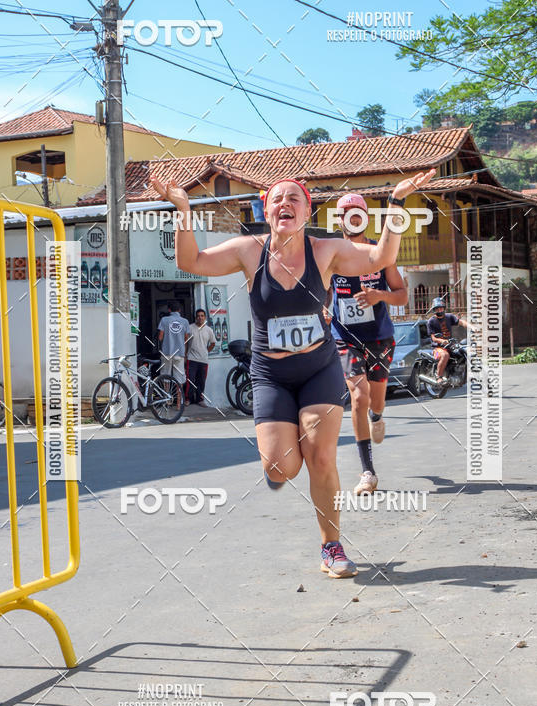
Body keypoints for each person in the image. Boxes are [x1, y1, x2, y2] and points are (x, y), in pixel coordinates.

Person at [150, 169, 436, 579]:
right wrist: (182, 209)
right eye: (277, 199)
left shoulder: (325, 251)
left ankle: (331, 547)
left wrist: (396, 202)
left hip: (319, 369)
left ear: (306, 211)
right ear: (266, 211)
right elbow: (190, 261)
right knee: (280, 469)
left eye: (294, 199)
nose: (285, 203)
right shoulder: (249, 251)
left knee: (321, 455)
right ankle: (293, 442)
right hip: (271, 375)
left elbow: (380, 259)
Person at [328, 193, 408, 495]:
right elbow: (320, 290)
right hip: (345, 338)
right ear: (339, 220)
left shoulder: (381, 252)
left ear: (364, 217)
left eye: (356, 213)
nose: (350, 218)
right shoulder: (331, 254)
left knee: (375, 402)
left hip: (379, 337)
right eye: (344, 213)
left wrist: (380, 296)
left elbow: (402, 294)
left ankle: (377, 417)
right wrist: (323, 308)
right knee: (358, 398)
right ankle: (367, 472)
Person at [427, 297, 470, 382]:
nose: (439, 310)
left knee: (462, 353)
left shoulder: (449, 317)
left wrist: (472, 327)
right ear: (434, 310)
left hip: (450, 345)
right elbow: (433, 338)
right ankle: (438, 376)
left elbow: (461, 322)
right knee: (445, 355)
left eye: (441, 308)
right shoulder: (431, 321)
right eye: (437, 309)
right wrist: (442, 340)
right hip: (438, 348)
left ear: (444, 308)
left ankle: (457, 373)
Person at [157, 301, 190, 387]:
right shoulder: (185, 321)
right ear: (179, 310)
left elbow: (160, 337)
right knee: (179, 379)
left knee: (165, 376)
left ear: (169, 310)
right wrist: (185, 353)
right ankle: (180, 400)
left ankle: (167, 399)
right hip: (179, 353)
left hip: (166, 353)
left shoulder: (164, 320)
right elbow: (186, 339)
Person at [186, 308, 215, 406]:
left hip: (203, 360)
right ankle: (188, 399)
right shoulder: (190, 328)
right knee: (190, 379)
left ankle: (200, 399)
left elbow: (213, 343)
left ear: (205, 317)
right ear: (195, 317)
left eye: (202, 316)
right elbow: (185, 342)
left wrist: (206, 351)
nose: (200, 318)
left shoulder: (209, 330)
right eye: (198, 316)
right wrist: (185, 355)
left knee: (201, 381)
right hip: (191, 359)